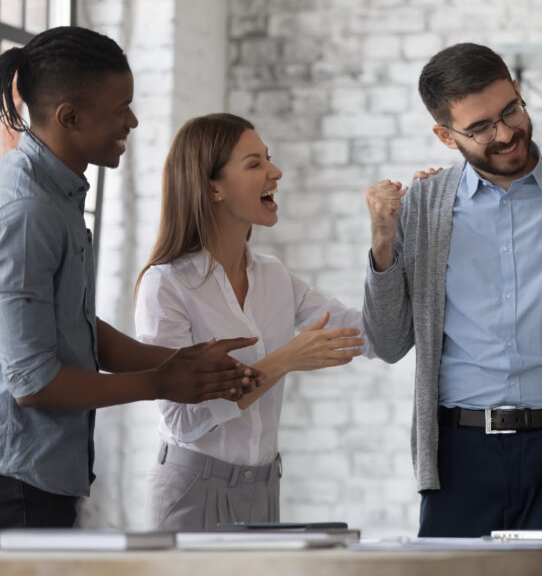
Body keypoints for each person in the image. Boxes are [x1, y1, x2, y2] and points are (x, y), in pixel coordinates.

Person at [362, 43, 542, 537]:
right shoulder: (422, 205)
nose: (506, 133)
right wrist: (382, 243)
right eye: (481, 127)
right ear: (445, 135)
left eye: (510, 109)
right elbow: (387, 343)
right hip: (457, 454)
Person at [0, 27, 260, 529]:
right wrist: (160, 381)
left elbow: (71, 324)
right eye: (121, 108)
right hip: (18, 486)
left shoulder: (57, 195)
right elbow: (32, 382)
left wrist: (184, 364)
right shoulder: (29, 209)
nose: (133, 121)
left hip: (43, 478)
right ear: (69, 117)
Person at [135, 113, 370, 530]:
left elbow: (366, 335)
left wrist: (387, 244)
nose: (275, 173)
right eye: (255, 163)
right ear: (213, 188)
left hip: (264, 488)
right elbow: (183, 421)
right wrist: (282, 361)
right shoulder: (166, 285)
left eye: (269, 159)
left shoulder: (274, 276)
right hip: (193, 490)